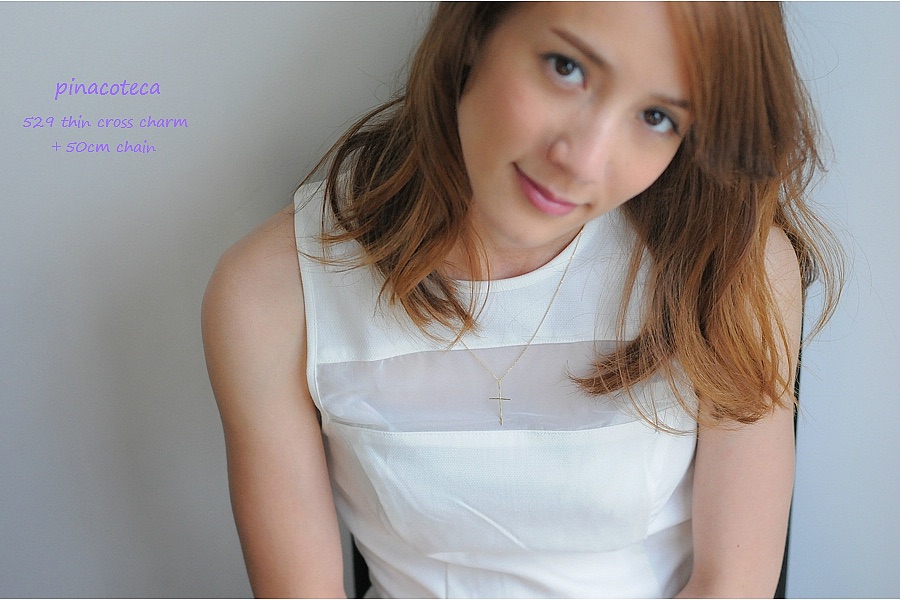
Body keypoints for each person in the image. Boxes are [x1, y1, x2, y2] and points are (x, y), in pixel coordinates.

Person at [202, 2, 842, 597]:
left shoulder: (729, 267)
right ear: (477, 30)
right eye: (567, 68)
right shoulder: (273, 294)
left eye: (657, 118)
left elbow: (732, 585)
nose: (583, 161)